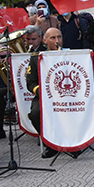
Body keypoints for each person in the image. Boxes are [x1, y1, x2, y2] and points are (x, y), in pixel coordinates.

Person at [26, 28, 66, 159]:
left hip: (66, 95)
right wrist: (44, 92)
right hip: (44, 95)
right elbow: (30, 83)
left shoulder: (70, 55)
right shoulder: (36, 58)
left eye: (59, 37)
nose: (57, 41)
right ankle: (49, 144)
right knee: (35, 113)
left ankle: (73, 142)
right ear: (44, 40)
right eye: (52, 38)